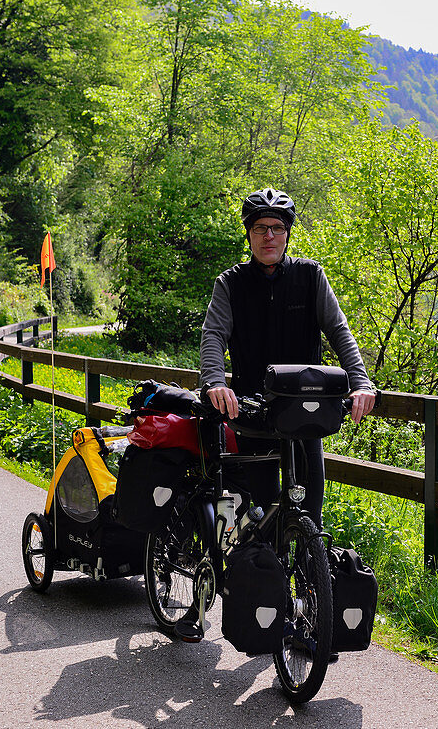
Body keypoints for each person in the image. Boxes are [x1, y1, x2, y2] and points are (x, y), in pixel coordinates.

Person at [169, 188, 375, 644]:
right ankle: (211, 601)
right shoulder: (231, 283)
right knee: (254, 517)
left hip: (304, 417)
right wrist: (215, 383)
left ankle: (304, 619)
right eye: (261, 228)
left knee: (308, 517)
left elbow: (339, 331)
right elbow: (213, 336)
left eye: (278, 228)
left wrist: (361, 382)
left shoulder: (310, 277)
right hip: (252, 414)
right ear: (249, 234)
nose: (270, 236)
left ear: (287, 234)